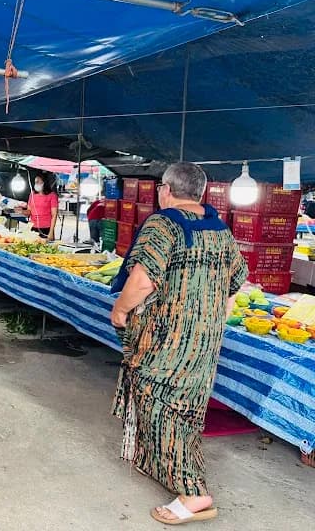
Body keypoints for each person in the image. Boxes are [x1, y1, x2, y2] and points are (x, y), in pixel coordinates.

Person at [109, 162, 247, 526]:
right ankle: (176, 469)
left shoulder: (163, 223)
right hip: (203, 345)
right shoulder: (219, 228)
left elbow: (142, 280)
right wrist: (210, 317)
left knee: (160, 409)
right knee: (186, 413)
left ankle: (194, 493)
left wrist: (120, 311)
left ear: (166, 190)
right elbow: (237, 280)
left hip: (163, 343)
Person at [26, 173, 59, 240]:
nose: (36, 184)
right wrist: (21, 211)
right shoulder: (32, 194)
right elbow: (29, 211)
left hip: (46, 228)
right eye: (35, 182)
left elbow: (54, 215)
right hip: (33, 227)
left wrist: (51, 232)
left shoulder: (52, 195)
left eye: (38, 182)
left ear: (44, 183)